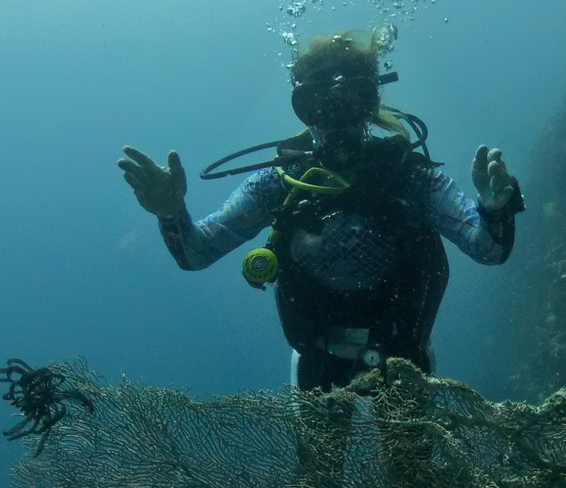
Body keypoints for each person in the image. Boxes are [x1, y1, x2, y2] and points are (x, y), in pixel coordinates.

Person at [118, 29, 524, 393]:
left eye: (353, 100)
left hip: (403, 356)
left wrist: (495, 208)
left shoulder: (411, 179)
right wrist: (170, 213)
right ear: (302, 108)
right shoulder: (279, 184)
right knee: (318, 477)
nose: (334, 119)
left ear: (370, 103)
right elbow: (196, 252)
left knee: (410, 469)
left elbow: (488, 248)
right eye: (316, 104)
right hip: (318, 359)